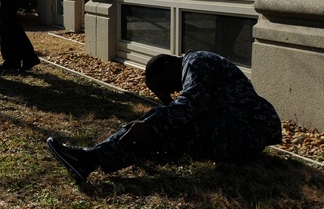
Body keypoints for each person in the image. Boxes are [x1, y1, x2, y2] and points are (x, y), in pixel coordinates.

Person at [46, 51, 282, 184]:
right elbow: (184, 115)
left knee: (157, 124)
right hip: (235, 133)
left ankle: (89, 159)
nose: (170, 90)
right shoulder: (193, 66)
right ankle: (89, 161)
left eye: (164, 84)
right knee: (160, 132)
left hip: (246, 132)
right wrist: (161, 104)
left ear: (169, 65)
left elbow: (188, 106)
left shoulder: (197, 61)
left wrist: (150, 123)